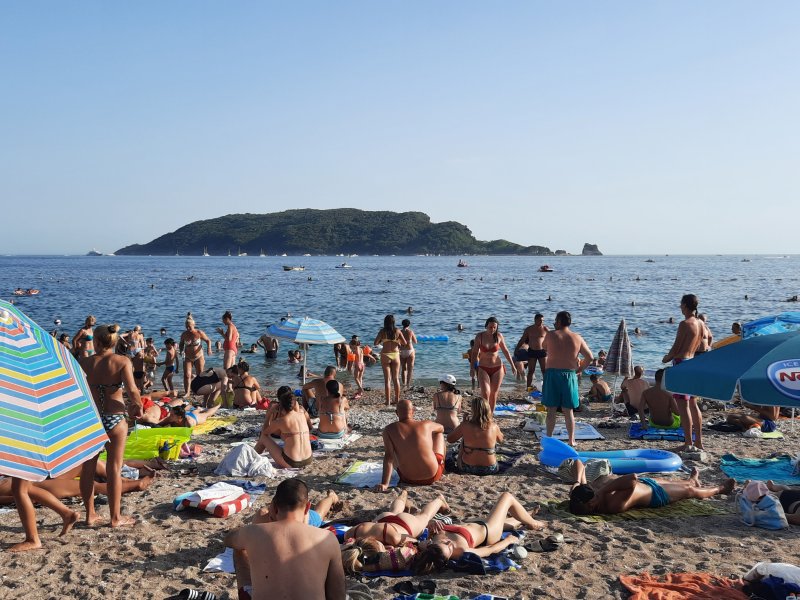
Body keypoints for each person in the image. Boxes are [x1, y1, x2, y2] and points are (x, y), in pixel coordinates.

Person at [224, 479, 345, 600]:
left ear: (274, 506)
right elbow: (338, 595)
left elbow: (229, 539)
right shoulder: (328, 538)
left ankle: (247, 593)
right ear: (307, 507)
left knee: (239, 549)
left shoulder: (252, 532)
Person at [79, 324, 142, 528]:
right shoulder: (122, 361)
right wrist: (138, 405)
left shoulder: (84, 362)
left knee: (88, 468)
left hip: (92, 418)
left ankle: (90, 515)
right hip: (114, 417)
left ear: (96, 342)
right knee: (114, 468)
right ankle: (115, 518)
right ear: (114, 342)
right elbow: (132, 390)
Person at [414, 491, 546, 573]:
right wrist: (508, 540)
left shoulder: (432, 544)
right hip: (489, 531)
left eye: (444, 542)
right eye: (450, 547)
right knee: (507, 497)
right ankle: (534, 523)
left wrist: (432, 527)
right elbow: (490, 550)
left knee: (507, 522)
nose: (449, 542)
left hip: (474, 524)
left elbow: (422, 539)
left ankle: (526, 515)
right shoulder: (463, 551)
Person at [569, 465, 734, 515]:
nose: (593, 506)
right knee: (689, 491)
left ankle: (692, 479)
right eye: (591, 507)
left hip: (645, 483)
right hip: (655, 495)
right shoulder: (612, 505)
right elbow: (631, 478)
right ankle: (721, 489)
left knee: (682, 482)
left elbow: (578, 463)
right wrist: (603, 491)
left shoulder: (581, 494)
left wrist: (577, 482)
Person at [541, 311, 593, 446]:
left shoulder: (551, 334)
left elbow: (543, 346)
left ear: (558, 322)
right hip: (569, 374)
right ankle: (571, 440)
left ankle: (549, 438)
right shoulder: (577, 337)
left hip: (552, 374)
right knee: (568, 410)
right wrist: (580, 369)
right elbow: (590, 357)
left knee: (551, 409)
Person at [662, 294, 705, 451]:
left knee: (683, 406)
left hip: (682, 363)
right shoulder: (700, 323)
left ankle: (688, 443)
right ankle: (698, 441)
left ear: (685, 305)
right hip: (693, 363)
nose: (680, 307)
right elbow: (703, 346)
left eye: (681, 304)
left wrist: (666, 358)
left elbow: (676, 347)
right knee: (693, 404)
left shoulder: (685, 324)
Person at [380, 400, 445, 490]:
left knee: (392, 451)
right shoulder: (426, 424)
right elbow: (441, 428)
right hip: (432, 476)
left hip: (407, 478)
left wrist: (384, 484)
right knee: (438, 434)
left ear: (396, 413)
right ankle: (441, 463)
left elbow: (388, 457)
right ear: (413, 411)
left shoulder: (388, 430)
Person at [345, 489, 449, 545]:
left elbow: (414, 541)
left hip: (404, 525)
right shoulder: (350, 534)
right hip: (384, 519)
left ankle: (440, 500)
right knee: (394, 512)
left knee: (425, 516)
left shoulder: (393, 538)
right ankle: (403, 494)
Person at [255, 386, 313, 468]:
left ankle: (253, 455)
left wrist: (268, 415)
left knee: (263, 438)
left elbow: (264, 433)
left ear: (281, 404)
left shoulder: (281, 421)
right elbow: (310, 427)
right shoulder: (302, 414)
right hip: (308, 459)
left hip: (292, 462)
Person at [447, 396, 503, 475]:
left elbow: (450, 439)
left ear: (473, 410)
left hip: (467, 467)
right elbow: (501, 440)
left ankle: (461, 458)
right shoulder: (494, 426)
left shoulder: (465, 425)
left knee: (464, 438)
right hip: (490, 468)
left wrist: (463, 424)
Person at [473, 317, 517, 412]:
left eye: (494, 327)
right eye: (490, 327)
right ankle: (484, 413)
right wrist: (472, 368)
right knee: (485, 393)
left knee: (494, 393)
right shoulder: (479, 336)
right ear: (486, 326)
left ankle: (491, 416)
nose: (492, 329)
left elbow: (505, 351)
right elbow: (474, 352)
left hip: (497, 367)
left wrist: (513, 366)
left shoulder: (499, 336)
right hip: (483, 367)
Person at [375, 314, 408, 406]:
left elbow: (375, 342)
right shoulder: (397, 331)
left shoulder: (382, 331)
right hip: (396, 354)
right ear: (394, 322)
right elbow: (405, 343)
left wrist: (383, 340)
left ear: (385, 322)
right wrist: (397, 341)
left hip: (385, 354)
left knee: (387, 380)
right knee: (396, 378)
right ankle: (397, 400)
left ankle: (388, 401)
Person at [179, 315, 212, 398]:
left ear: (193, 325)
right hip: (188, 357)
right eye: (186, 326)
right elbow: (181, 343)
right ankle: (187, 392)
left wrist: (209, 349)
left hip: (199, 356)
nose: (188, 328)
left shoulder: (199, 333)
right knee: (187, 375)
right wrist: (181, 350)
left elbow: (208, 341)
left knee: (200, 374)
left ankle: (200, 391)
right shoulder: (184, 334)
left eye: (189, 326)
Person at [519, 313, 548, 388]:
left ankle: (547, 388)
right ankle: (529, 388)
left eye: (542, 321)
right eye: (539, 320)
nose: (541, 322)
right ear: (535, 320)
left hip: (542, 352)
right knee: (531, 371)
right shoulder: (529, 329)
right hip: (532, 351)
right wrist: (517, 349)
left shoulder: (545, 329)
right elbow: (522, 339)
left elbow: (552, 339)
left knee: (544, 371)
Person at [399, 318, 418, 390]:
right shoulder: (410, 331)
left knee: (403, 368)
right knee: (410, 369)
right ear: (409, 324)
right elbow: (415, 341)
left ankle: (403, 384)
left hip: (402, 351)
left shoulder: (399, 331)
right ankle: (408, 385)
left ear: (402, 324)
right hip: (410, 350)